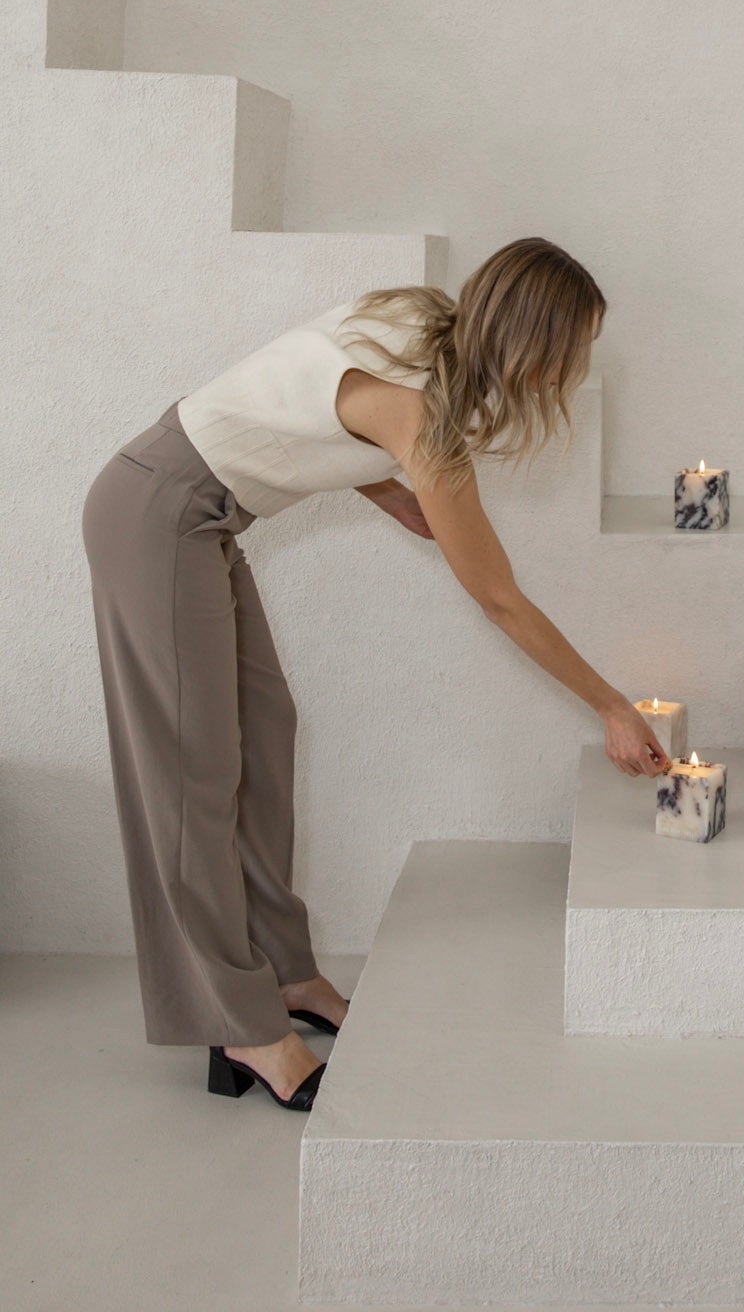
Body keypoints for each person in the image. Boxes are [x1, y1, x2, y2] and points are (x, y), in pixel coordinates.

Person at [80, 236, 672, 1111]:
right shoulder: (420, 417)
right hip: (156, 511)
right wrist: (611, 706)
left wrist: (385, 489)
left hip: (202, 515)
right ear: (535, 343)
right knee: (190, 776)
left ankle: (284, 976)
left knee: (264, 736)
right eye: (575, 350)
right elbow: (501, 600)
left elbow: (296, 407)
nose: (577, 371)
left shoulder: (411, 319)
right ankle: (240, 1028)